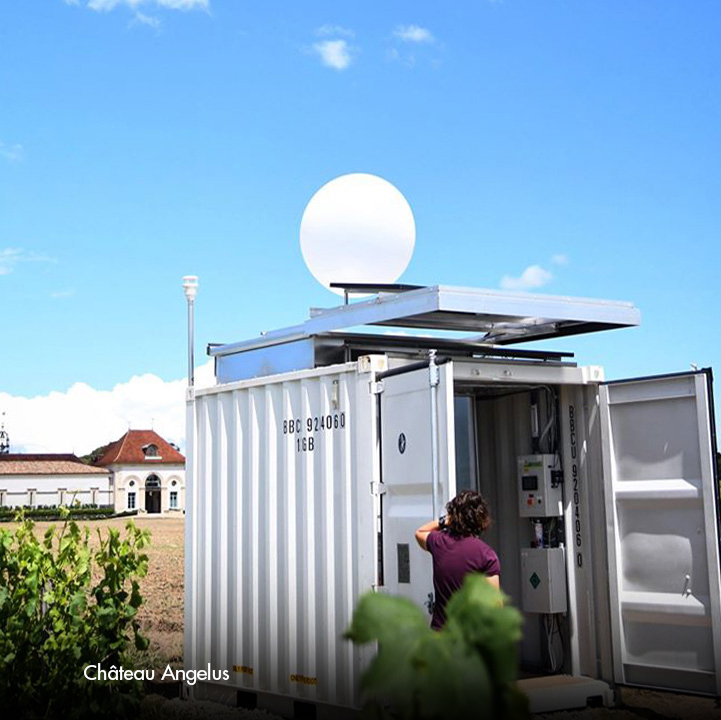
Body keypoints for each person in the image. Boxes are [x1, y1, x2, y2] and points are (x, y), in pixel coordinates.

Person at [415, 489, 501, 630]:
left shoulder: (439, 543)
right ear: (481, 519)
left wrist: (444, 521)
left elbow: (420, 532)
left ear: (453, 515)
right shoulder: (486, 555)